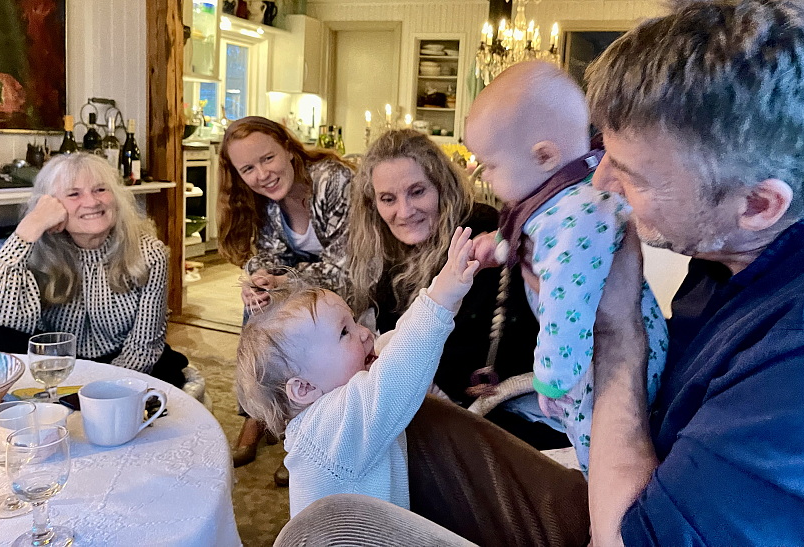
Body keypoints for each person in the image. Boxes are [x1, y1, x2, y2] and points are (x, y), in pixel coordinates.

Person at [273, 0, 804, 547]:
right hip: (642, 472)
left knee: (329, 527)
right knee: (391, 434)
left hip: (632, 522)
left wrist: (616, 330)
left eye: (633, 174)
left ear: (757, 204)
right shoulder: (742, 242)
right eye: (603, 153)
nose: (600, 182)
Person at [464, 61, 668, 474]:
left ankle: (601, 491)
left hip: (598, 361)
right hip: (591, 350)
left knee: (597, 439)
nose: (482, 175)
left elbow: (565, 303)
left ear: (544, 156)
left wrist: (552, 378)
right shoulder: (564, 199)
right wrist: (498, 247)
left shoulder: (575, 218)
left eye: (490, 165)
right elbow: (534, 234)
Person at [236, 228, 478, 518]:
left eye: (353, 321)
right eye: (344, 332)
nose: (364, 332)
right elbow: (398, 372)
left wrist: (444, 288)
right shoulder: (330, 427)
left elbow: (397, 345)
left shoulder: (337, 394)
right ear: (304, 388)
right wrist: (440, 301)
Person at [348, 129, 566, 449]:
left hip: (512, 414)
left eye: (417, 191)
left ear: (441, 185)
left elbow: (462, 351)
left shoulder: (481, 235)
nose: (404, 212)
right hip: (443, 412)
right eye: (388, 199)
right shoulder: (388, 252)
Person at [217, 115, 355, 471]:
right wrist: (258, 281)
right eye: (248, 169)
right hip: (309, 284)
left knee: (293, 312)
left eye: (268, 158)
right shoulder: (263, 199)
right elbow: (266, 257)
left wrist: (282, 282)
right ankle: (259, 411)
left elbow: (347, 270)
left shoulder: (333, 181)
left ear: (289, 149)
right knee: (258, 304)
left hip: (355, 284)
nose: (262, 174)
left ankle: (304, 428)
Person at [0, 152, 187, 387]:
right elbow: (1, 322)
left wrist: (101, 389)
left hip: (124, 366)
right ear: (48, 205)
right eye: (74, 194)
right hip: (54, 366)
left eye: (100, 190)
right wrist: (29, 228)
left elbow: (143, 346)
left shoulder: (149, 253)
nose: (92, 202)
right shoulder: (34, 251)